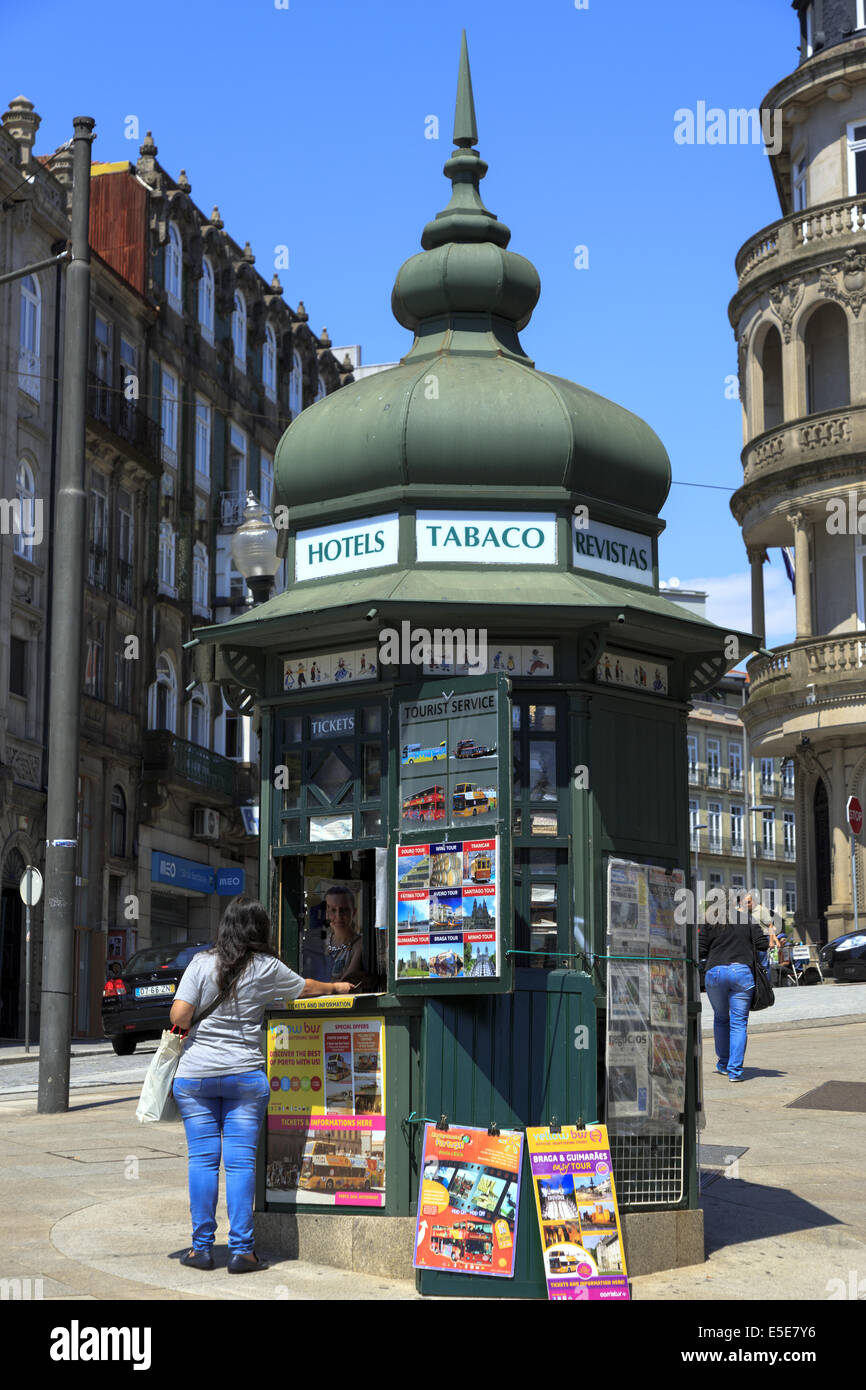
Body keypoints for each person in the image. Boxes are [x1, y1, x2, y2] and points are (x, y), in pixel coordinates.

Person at [169, 895, 354, 1273]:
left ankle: (201, 1249)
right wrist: (336, 987)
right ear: (260, 930)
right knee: (240, 1165)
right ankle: (242, 1252)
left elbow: (180, 1016)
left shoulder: (201, 963)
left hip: (196, 1078)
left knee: (202, 1161)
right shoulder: (265, 967)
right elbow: (305, 987)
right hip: (244, 1078)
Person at [700, 893, 770, 1082]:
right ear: (734, 903)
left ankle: (723, 1064)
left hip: (715, 973)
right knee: (739, 1023)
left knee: (721, 1019)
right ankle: (735, 1071)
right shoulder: (746, 919)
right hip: (742, 973)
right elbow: (763, 944)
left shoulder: (709, 921)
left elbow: (700, 949)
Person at [324, 885, 363, 981]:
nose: (338, 916)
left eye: (344, 910)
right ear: (326, 913)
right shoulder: (321, 943)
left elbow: (345, 983)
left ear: (353, 912)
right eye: (333, 910)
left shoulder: (360, 944)